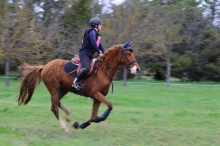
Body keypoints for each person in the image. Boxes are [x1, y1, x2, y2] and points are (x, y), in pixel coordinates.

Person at [72, 17, 105, 90]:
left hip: (91, 55)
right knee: (86, 68)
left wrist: (105, 53)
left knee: (97, 69)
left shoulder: (97, 34)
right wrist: (99, 52)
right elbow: (93, 43)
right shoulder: (91, 31)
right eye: (100, 24)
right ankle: (76, 82)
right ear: (96, 25)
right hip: (84, 54)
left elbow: (100, 46)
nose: (101, 26)